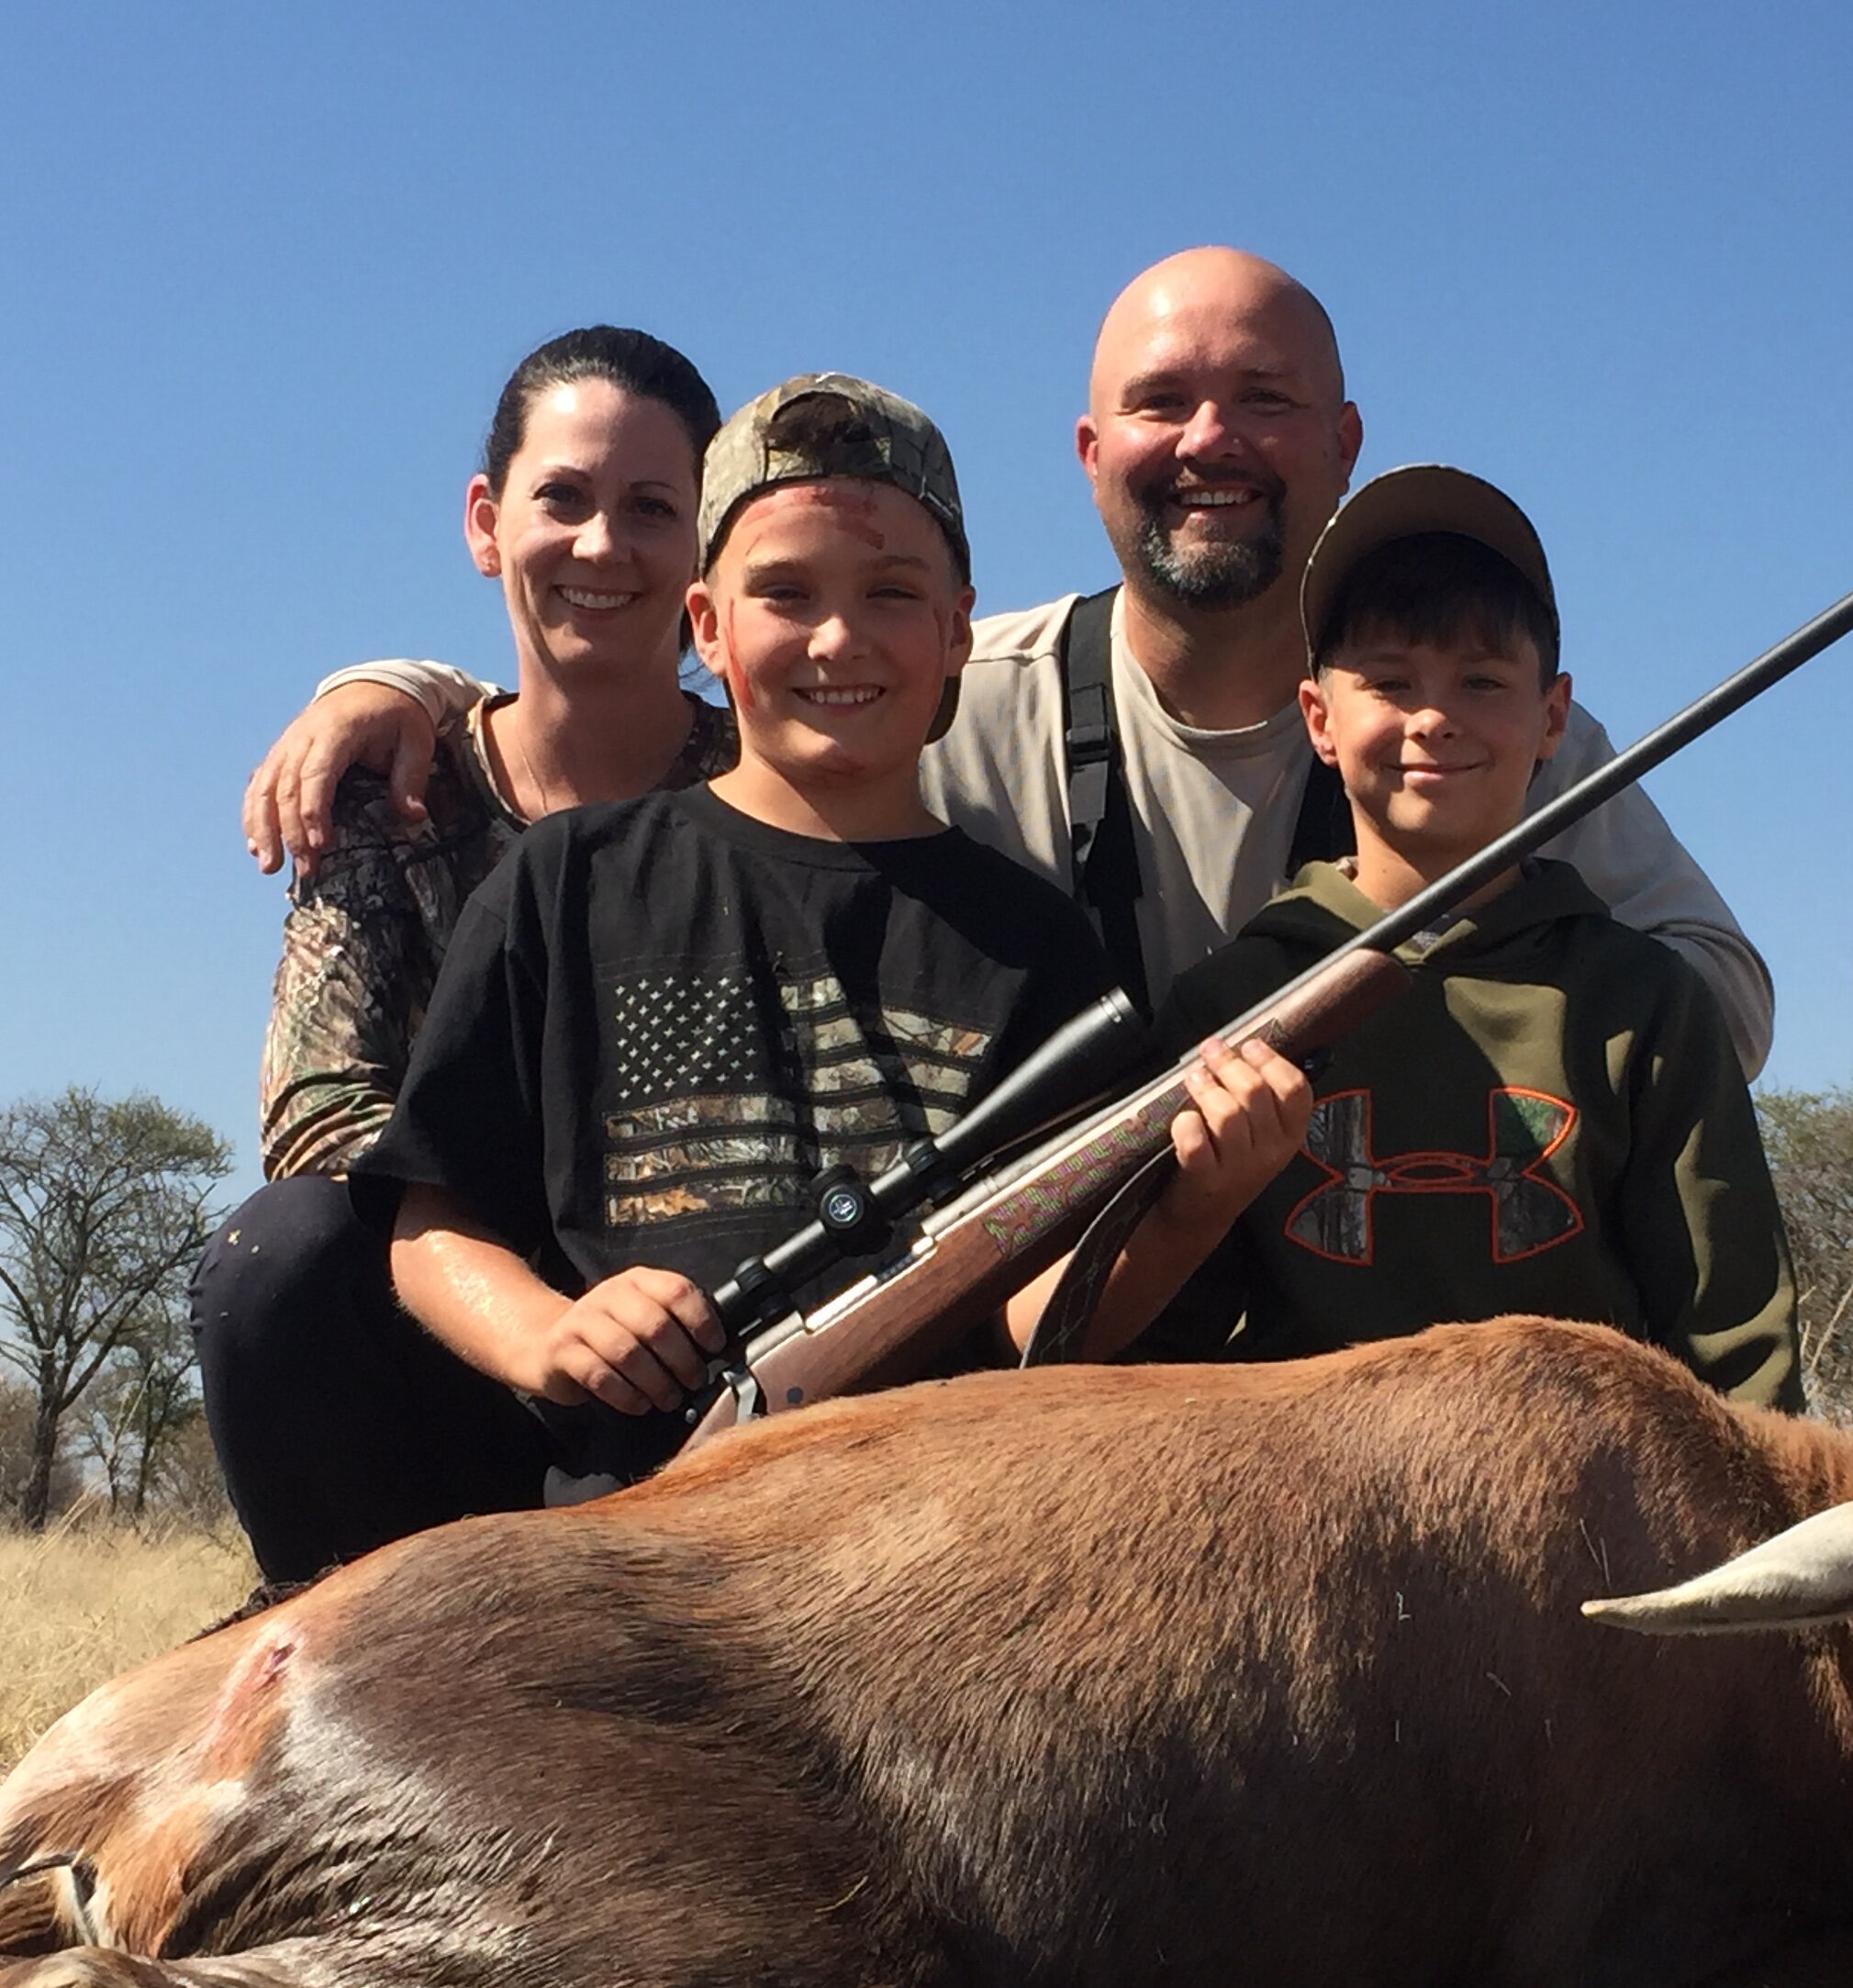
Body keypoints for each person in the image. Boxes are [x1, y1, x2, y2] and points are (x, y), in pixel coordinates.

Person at [240, 250, 1779, 1074]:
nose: (1209, 445)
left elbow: (1718, 997)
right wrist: (409, 688)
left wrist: (1439, 1033)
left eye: (1261, 402)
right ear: (1092, 451)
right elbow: (727, 739)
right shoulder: (964, 688)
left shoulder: (1480, 729)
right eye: (1162, 403)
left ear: (1341, 442)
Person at [360, 374, 1309, 1501]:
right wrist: (549, 1337)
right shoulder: (564, 881)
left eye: (892, 593)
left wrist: (1201, 1198)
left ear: (958, 628)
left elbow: (1030, 1322)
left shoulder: (1033, 942)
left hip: (933, 1526)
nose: (839, 638)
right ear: (706, 625)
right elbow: (431, 1227)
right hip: (630, 1522)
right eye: (786, 593)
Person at [1055, 466, 1803, 1411]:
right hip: (1301, 1521)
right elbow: (1158, 1366)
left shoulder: (1645, 1002)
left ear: (1553, 719)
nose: (1435, 718)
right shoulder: (1233, 1008)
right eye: (1391, 682)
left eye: (1482, 681)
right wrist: (1202, 1201)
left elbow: (1739, 1355)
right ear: (1319, 720)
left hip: (1594, 1538)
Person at [194, 325, 734, 1587]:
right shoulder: (388, 793)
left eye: (654, 508)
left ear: (706, 547)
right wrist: (527, 1301)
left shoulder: (767, 791)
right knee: (283, 1253)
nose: (604, 546)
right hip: (451, 1336)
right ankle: (329, 1623)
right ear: (486, 523)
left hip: (696, 1336)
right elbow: (318, 1115)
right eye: (564, 500)